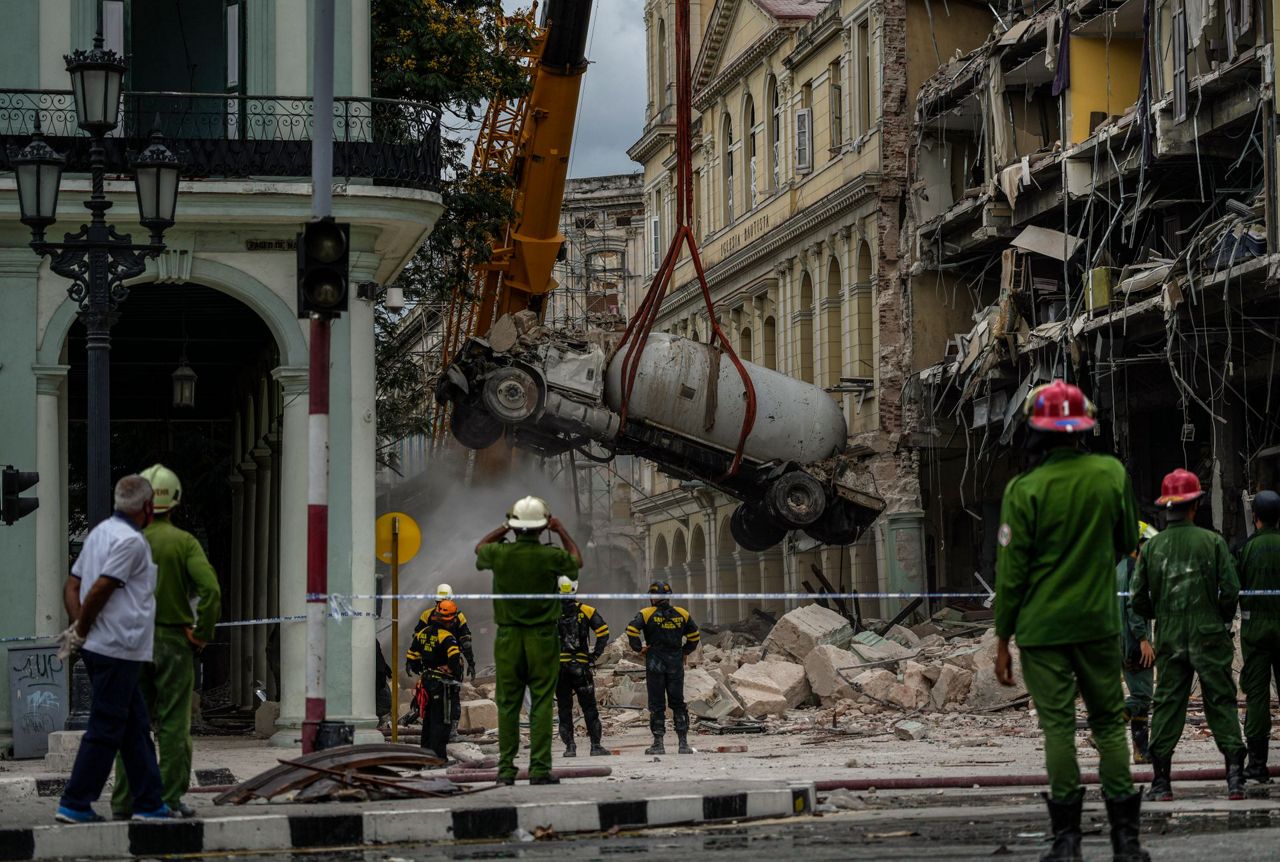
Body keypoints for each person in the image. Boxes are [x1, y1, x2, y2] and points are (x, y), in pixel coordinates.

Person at [994, 380, 1147, 862]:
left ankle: (1067, 842)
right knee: (1109, 725)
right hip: (1098, 624)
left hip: (1042, 632)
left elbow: (1011, 574)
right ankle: (1126, 842)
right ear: (1083, 428)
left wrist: (1002, 638)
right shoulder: (1111, 474)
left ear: (1035, 430)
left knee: (1058, 728)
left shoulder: (1023, 490)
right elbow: (1129, 541)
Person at [54, 475, 171, 823]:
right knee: (106, 727)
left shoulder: (99, 533)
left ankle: (149, 802)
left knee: (135, 726)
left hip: (103, 647)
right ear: (147, 507)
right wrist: (84, 627)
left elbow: (72, 585)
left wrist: (79, 627)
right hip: (118, 647)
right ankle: (75, 801)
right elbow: (102, 587)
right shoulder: (131, 542)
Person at [110, 464, 221, 820]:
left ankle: (125, 800)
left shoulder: (125, 541)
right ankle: (168, 799)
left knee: (132, 724)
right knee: (174, 724)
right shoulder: (183, 543)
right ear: (175, 501)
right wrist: (201, 633)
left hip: (131, 642)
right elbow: (210, 590)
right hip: (173, 642)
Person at [1132, 467, 1245, 801]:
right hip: (1209, 633)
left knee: (1167, 703)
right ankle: (1235, 781)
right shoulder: (1213, 542)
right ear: (1195, 505)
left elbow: (1137, 599)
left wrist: (1161, 613)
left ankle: (1161, 784)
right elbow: (1231, 589)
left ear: (1166, 508)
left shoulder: (1151, 549)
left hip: (1170, 636)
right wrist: (1220, 618)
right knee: (1221, 701)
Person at [475, 496, 582, 785]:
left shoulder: (500, 554)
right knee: (542, 702)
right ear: (543, 526)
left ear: (514, 524)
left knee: (508, 704)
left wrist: (504, 527)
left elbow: (479, 548)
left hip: (508, 637)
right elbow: (576, 561)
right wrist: (560, 530)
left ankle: (506, 771)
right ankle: (539, 769)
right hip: (542, 637)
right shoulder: (550, 556)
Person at [1235, 489, 1280, 782]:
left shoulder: (1245, 550)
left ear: (1255, 516)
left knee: (1258, 697)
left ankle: (1257, 765)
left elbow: (1231, 588)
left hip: (1256, 635)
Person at [627, 581, 700, 756]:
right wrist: (685, 651)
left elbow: (631, 630)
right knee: (678, 702)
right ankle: (683, 744)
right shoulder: (682, 613)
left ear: (653, 597)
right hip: (675, 663)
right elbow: (694, 635)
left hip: (655, 663)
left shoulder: (646, 613)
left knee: (657, 703)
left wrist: (639, 649)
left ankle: (658, 744)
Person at [1116, 521, 1159, 764]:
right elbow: (1133, 608)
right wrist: (1143, 639)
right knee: (1142, 696)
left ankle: (1141, 751)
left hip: (1123, 642)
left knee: (1140, 700)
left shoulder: (1119, 568)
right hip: (1135, 643)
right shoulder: (1134, 569)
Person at [555, 576, 610, 757]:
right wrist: (594, 655)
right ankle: (595, 746)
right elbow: (603, 632)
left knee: (564, 709)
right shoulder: (586, 610)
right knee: (589, 708)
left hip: (560, 669)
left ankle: (570, 748)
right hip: (581, 667)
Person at [411, 585, 476, 740]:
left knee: (431, 696)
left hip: (431, 665)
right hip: (451, 664)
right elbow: (466, 642)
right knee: (452, 696)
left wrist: (414, 661)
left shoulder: (427, 615)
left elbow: (417, 639)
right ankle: (450, 732)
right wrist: (471, 662)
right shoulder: (457, 616)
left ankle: (432, 730)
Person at [404, 613, 464, 759]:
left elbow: (412, 656)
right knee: (442, 721)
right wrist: (450, 669)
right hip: (442, 686)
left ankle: (425, 755)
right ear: (448, 621)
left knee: (428, 720)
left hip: (427, 682)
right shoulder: (446, 637)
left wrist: (421, 670)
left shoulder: (422, 633)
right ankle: (438, 758)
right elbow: (455, 658)